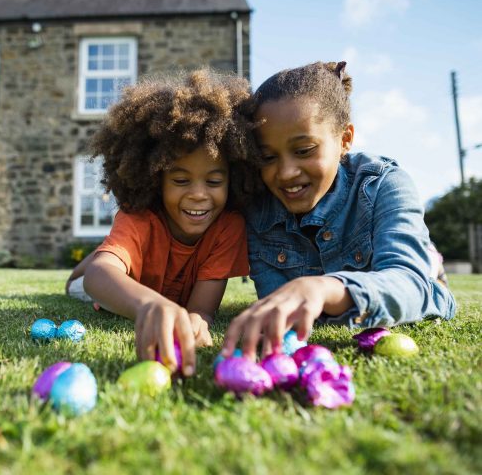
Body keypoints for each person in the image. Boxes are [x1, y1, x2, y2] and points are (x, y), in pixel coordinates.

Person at [221, 61, 456, 360]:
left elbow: (414, 289)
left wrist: (325, 289)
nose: (286, 172)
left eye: (304, 151)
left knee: (419, 269)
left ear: (344, 139)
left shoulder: (385, 185)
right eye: (268, 157)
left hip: (401, 272)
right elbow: (280, 308)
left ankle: (428, 257)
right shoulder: (258, 211)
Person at [66, 69, 260, 377]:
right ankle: (107, 253)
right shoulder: (139, 217)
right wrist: (146, 305)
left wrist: (198, 320)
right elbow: (97, 279)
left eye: (213, 180)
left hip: (148, 277)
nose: (199, 195)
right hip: (119, 290)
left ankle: (114, 252)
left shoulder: (228, 227)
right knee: (79, 281)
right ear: (156, 180)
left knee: (111, 258)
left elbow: (202, 309)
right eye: (181, 180)